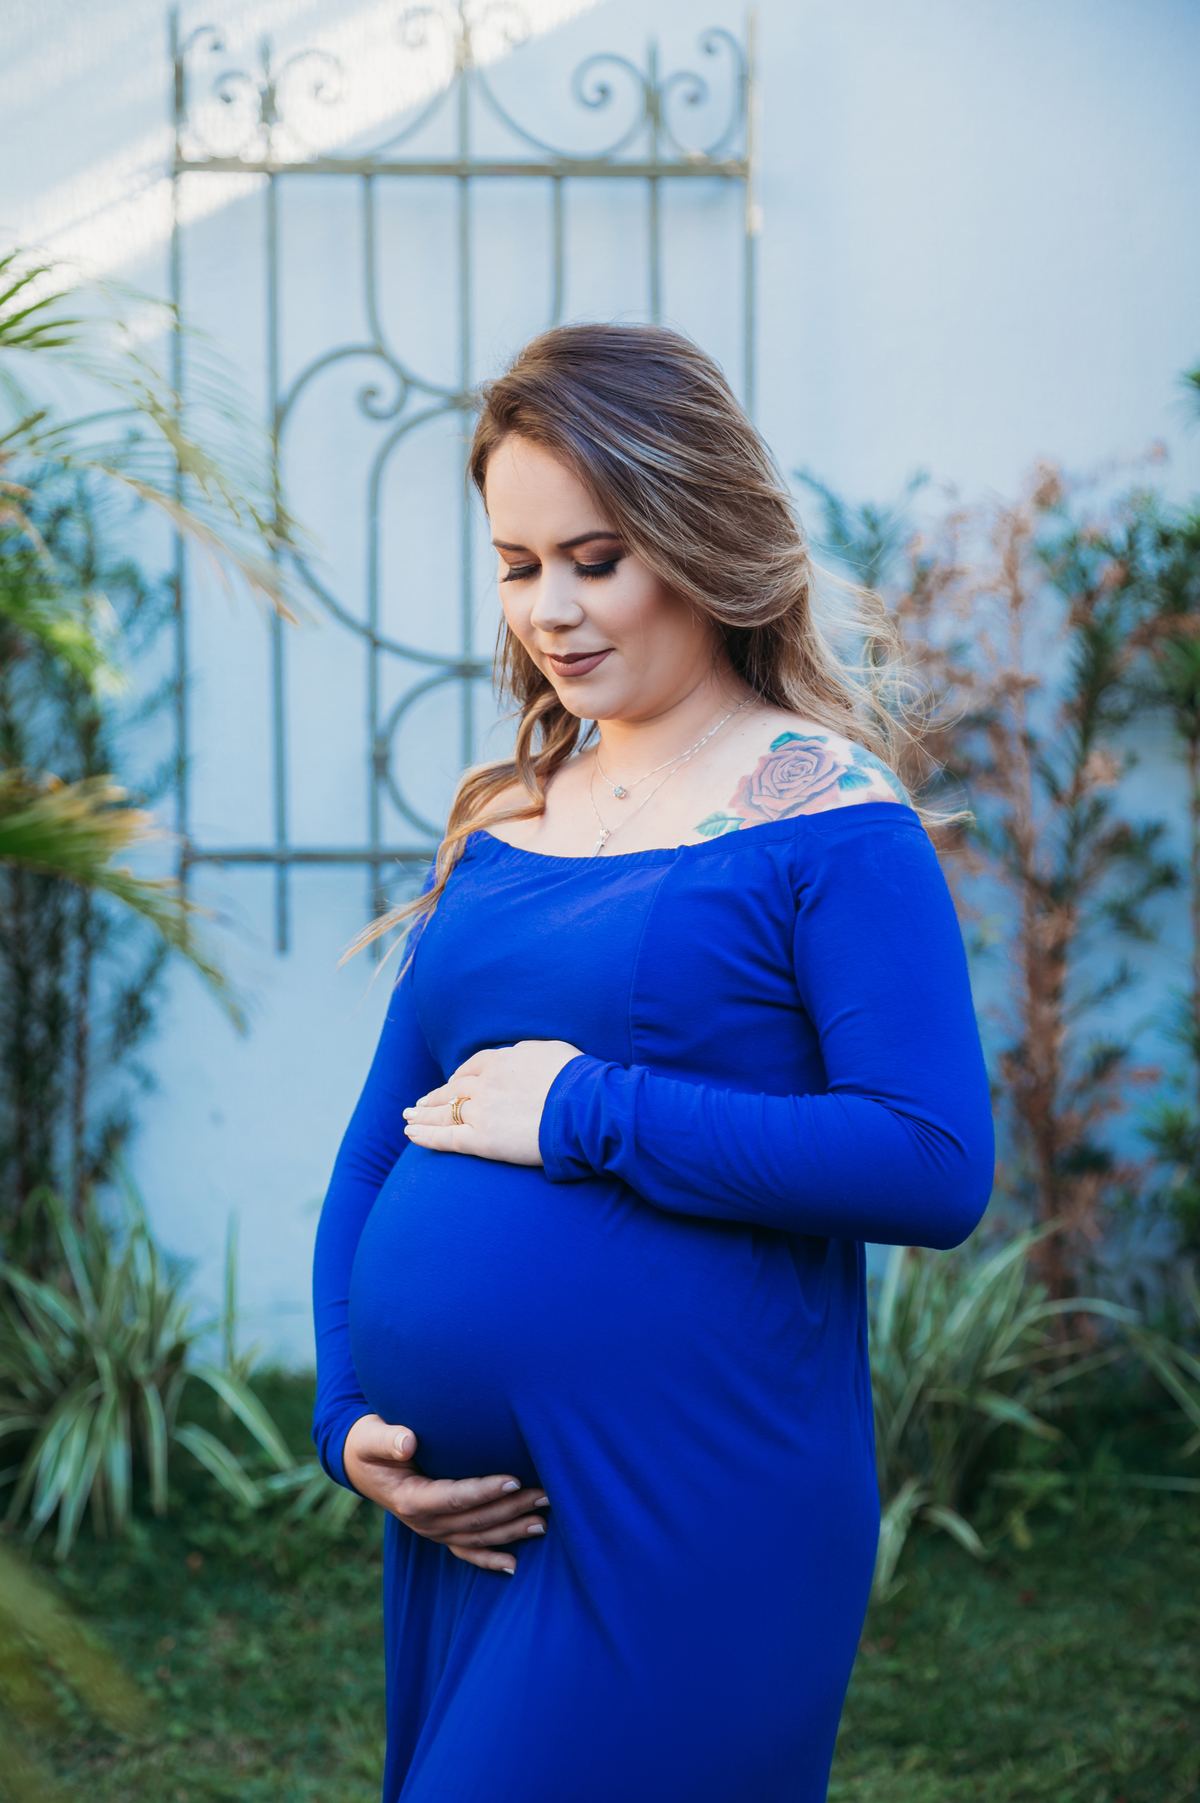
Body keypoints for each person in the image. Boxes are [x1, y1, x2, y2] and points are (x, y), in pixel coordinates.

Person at [312, 323, 994, 1803]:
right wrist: (348, 1414)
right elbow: (382, 1144)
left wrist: (585, 1110)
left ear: (695, 537)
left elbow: (934, 1162)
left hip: (694, 1507)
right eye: (516, 563)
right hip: (474, 1521)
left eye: (596, 558)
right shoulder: (509, 812)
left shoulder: (824, 810)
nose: (549, 610)